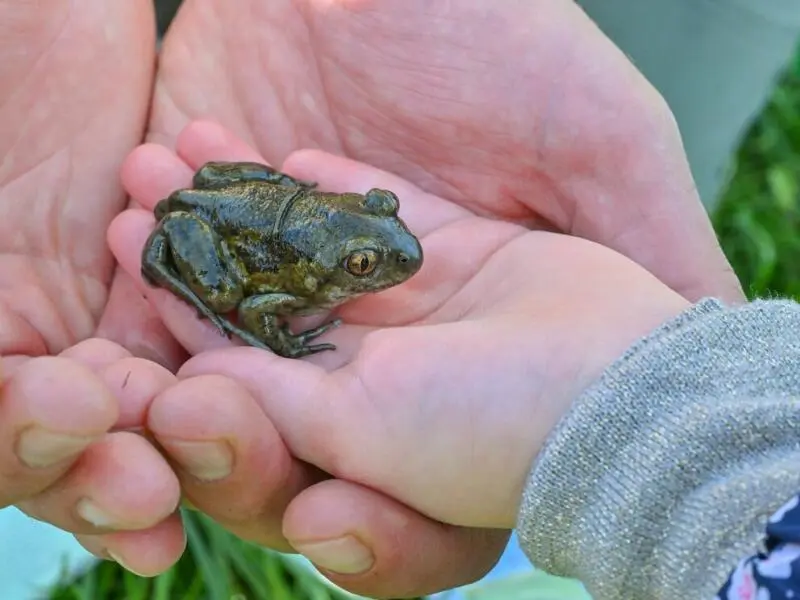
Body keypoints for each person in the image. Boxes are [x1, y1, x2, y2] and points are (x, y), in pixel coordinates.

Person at [0, 0, 797, 598]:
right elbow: (263, 301)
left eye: (380, 231)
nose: (392, 259)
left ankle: (513, 483)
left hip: (270, 189)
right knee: (201, 301)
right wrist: (262, 330)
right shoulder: (290, 282)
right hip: (229, 225)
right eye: (363, 262)